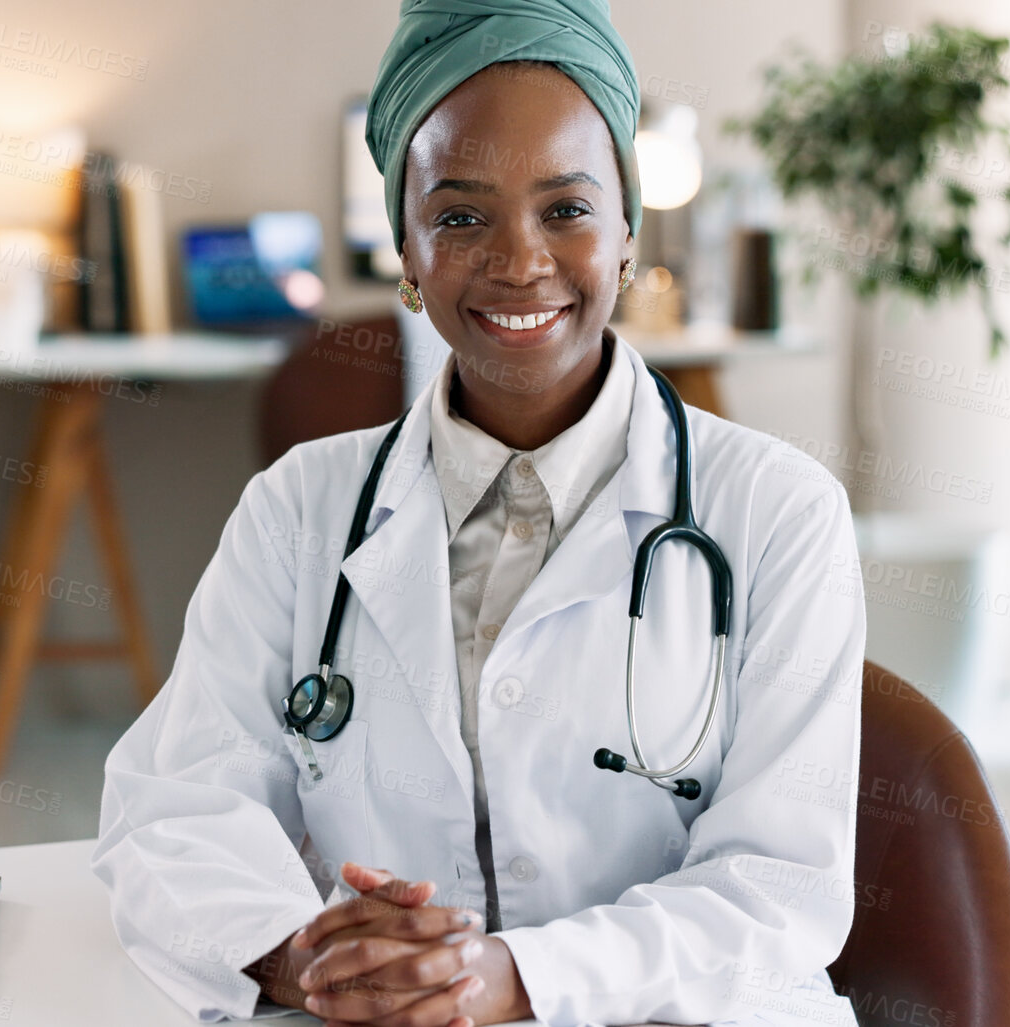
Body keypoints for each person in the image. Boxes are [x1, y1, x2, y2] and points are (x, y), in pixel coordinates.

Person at [92, 2, 866, 1025]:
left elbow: (779, 886)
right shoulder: (297, 509)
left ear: (628, 232)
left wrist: (514, 979)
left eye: (567, 209)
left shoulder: (778, 513)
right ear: (405, 253)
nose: (517, 259)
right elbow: (174, 809)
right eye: (459, 216)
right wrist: (302, 961)